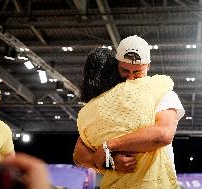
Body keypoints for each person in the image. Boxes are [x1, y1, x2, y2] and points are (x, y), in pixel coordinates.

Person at [74, 35, 184, 188]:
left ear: (148, 66)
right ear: (116, 65)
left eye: (137, 71)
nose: (131, 77)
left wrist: (110, 146)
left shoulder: (162, 93)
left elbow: (163, 134)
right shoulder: (109, 101)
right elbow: (79, 154)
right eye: (125, 70)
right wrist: (110, 162)